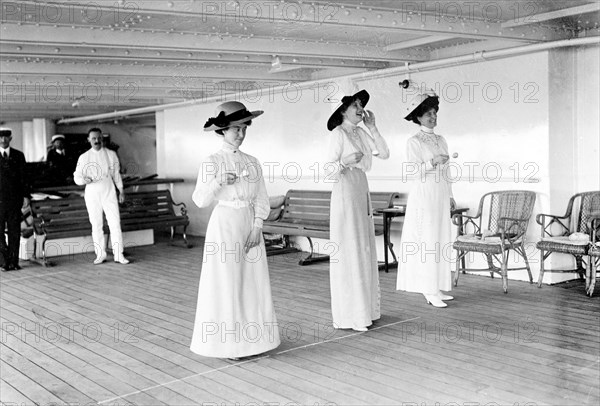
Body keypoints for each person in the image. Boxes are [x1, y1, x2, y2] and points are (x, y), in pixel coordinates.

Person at [189, 101, 280, 359]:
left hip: (249, 223)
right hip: (225, 224)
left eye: (244, 128)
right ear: (223, 130)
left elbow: (261, 198)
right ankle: (230, 345)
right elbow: (199, 200)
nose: (240, 134)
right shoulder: (212, 161)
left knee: (252, 281)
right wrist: (218, 181)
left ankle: (256, 341)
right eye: (235, 129)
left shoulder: (252, 162)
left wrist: (257, 227)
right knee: (227, 281)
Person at [325, 89, 390, 331]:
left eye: (362, 104)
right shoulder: (337, 134)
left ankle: (368, 310)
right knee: (349, 248)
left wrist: (373, 128)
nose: (361, 109)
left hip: (361, 187)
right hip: (344, 189)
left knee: (363, 248)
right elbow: (326, 170)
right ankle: (352, 315)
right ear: (343, 110)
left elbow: (384, 153)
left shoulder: (362, 132)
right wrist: (344, 162)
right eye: (356, 105)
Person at [396, 87, 456, 308]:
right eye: (428, 114)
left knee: (440, 238)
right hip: (424, 195)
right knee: (428, 239)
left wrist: (450, 195)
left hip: (440, 194)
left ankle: (437, 285)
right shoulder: (414, 142)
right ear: (418, 117)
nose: (433, 117)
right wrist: (432, 162)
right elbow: (412, 172)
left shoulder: (441, 139)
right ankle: (427, 289)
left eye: (435, 113)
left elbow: (447, 171)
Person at [73, 128, 129, 265]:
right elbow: (77, 177)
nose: (96, 141)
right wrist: (84, 180)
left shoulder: (111, 154)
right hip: (92, 194)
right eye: (93, 138)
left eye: (99, 138)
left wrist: (121, 190)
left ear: (102, 139)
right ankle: (100, 254)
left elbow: (116, 174)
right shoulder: (84, 157)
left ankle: (118, 254)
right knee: (96, 225)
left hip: (109, 192)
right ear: (89, 140)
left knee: (115, 223)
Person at [0, 127, 30, 271]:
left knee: (14, 232)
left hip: (14, 201)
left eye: (6, 137)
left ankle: (14, 261)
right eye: (0, 137)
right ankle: (4, 261)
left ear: (10, 138)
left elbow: (24, 178)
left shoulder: (18, 156)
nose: (3, 140)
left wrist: (25, 196)